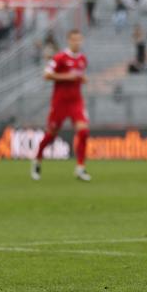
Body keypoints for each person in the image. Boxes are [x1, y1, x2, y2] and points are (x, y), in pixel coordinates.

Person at [31, 29, 92, 182]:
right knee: (51, 135)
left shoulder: (83, 59)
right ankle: (37, 159)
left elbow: (79, 76)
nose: (77, 42)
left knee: (83, 131)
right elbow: (46, 74)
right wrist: (66, 76)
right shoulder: (60, 57)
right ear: (69, 41)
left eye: (79, 40)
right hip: (60, 102)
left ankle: (80, 168)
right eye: (74, 40)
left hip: (76, 101)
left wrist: (83, 79)